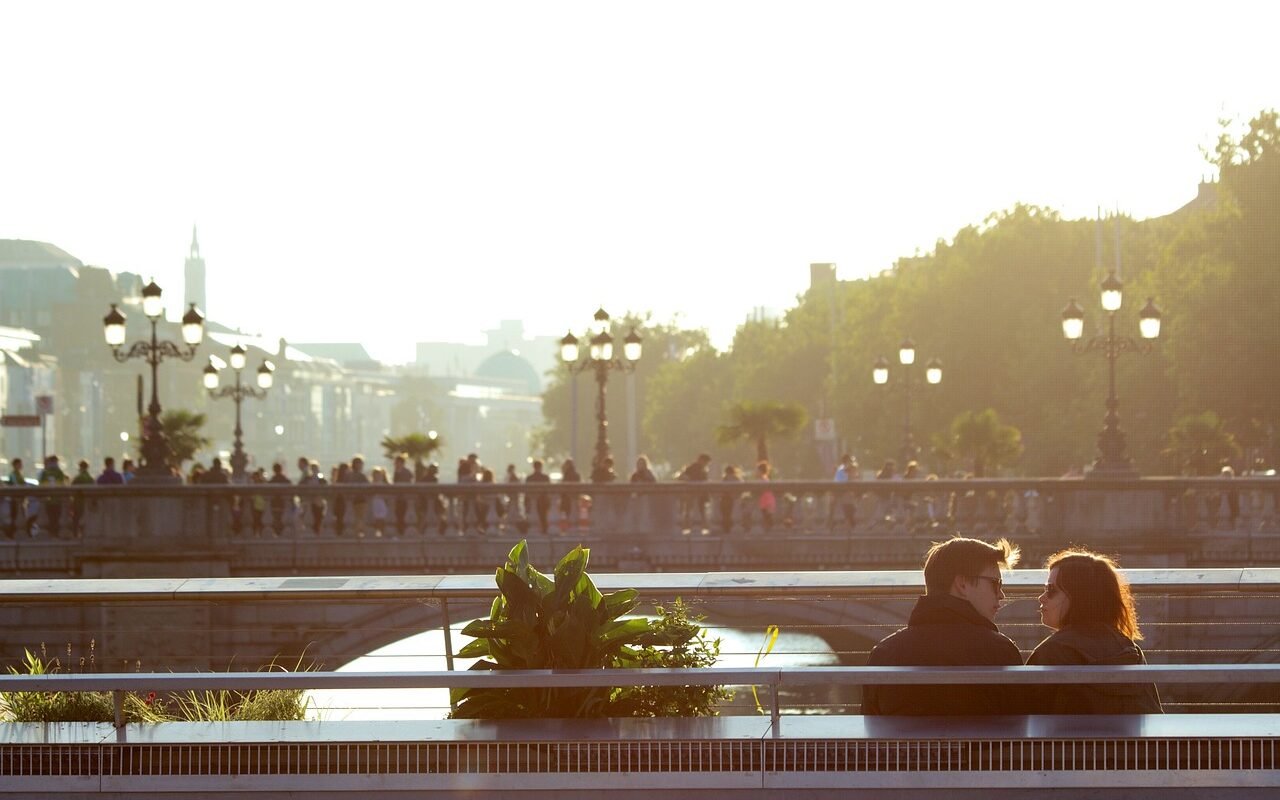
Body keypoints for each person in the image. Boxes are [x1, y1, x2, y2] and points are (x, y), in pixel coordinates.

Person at [863, 536, 1023, 716]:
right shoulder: (1000, 651)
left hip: (908, 745)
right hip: (979, 745)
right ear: (962, 584)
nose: (1001, 595)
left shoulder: (884, 653)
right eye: (995, 583)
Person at [1026, 549, 1163, 714]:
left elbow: (1025, 719)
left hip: (1070, 740)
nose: (1041, 598)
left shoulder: (1051, 653)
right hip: (1130, 740)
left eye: (1051, 590)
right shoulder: (1129, 649)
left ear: (1078, 597)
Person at [37, 455, 68, 536]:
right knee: (56, 519)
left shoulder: (45, 472)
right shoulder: (59, 472)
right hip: (57, 500)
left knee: (50, 518)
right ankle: (55, 533)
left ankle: (51, 533)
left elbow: (40, 485)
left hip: (48, 500)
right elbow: (62, 485)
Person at [833, 453, 859, 532]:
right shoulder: (843, 469)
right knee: (848, 511)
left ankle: (849, 526)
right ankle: (849, 527)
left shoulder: (844, 469)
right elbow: (842, 482)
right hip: (845, 495)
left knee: (849, 511)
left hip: (847, 495)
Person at [525, 459, 551, 535]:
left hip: (533, 502)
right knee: (543, 518)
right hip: (543, 502)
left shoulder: (529, 478)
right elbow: (548, 491)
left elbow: (527, 492)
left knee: (533, 518)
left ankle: (533, 532)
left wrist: (526, 503)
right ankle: (544, 532)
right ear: (541, 467)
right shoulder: (545, 477)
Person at [70, 459, 94, 535]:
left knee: (76, 520)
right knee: (88, 520)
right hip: (88, 503)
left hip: (78, 502)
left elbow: (71, 491)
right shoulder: (91, 479)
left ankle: (75, 535)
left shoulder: (77, 479)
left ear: (80, 467)